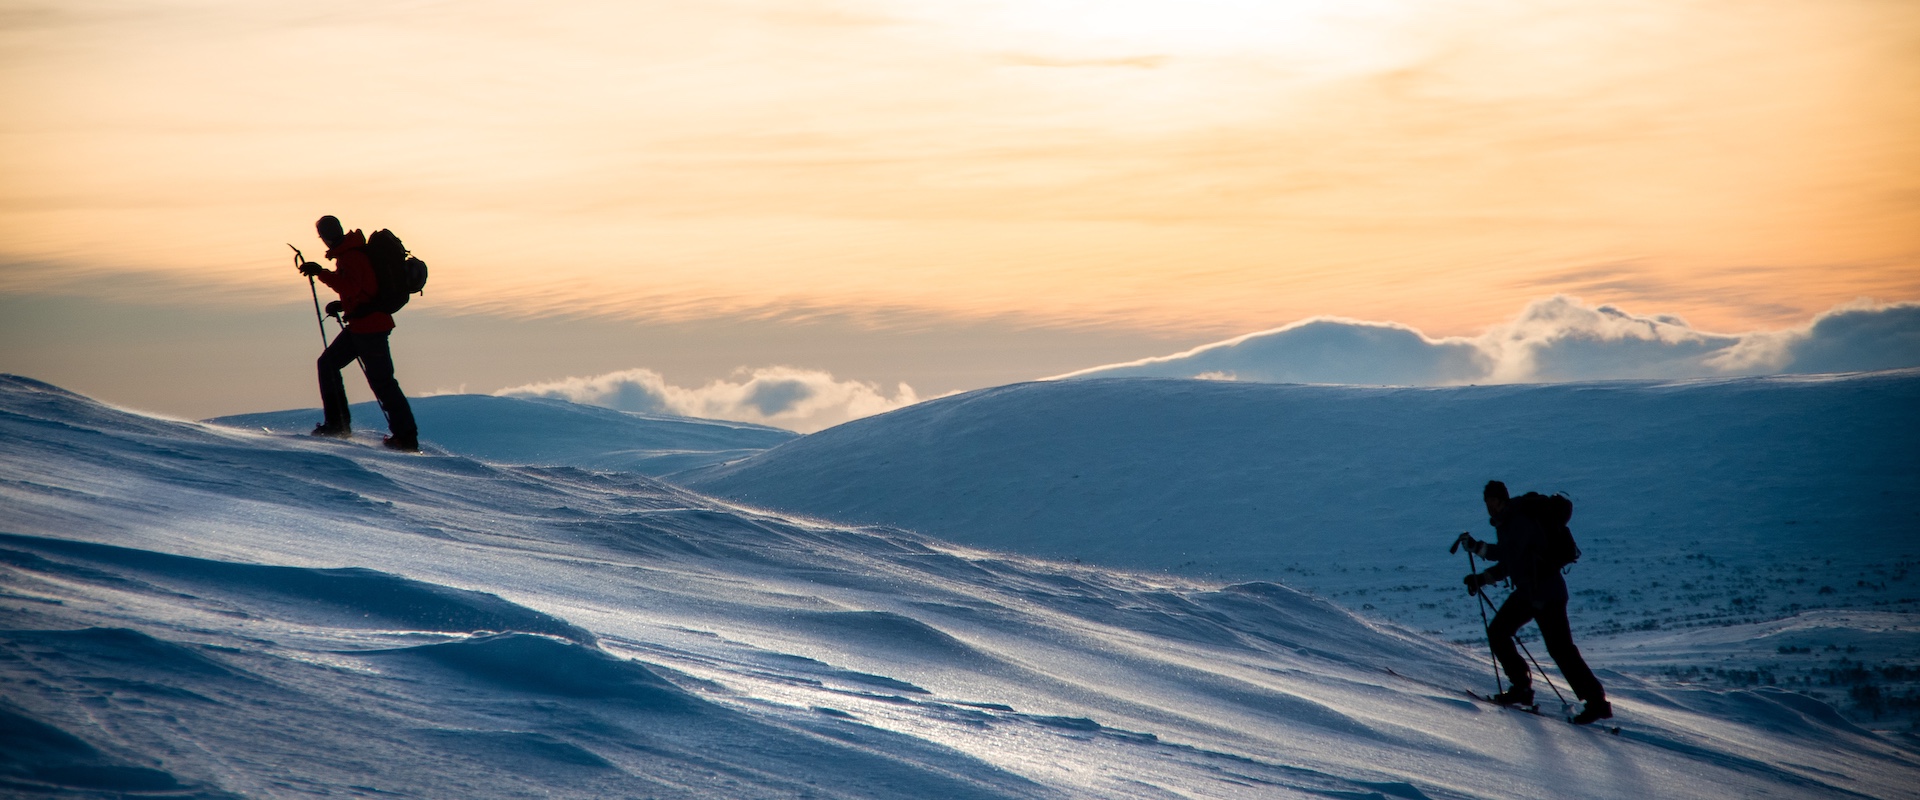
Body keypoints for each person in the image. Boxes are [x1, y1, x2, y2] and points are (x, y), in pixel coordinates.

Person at [1456, 480, 1610, 724]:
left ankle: (1530, 689)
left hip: (1541, 592)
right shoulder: (1508, 522)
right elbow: (1510, 563)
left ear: (1500, 500)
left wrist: (1478, 553)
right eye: (1486, 503)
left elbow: (1509, 556)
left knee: (1509, 635)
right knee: (1555, 647)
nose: (1488, 508)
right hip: (1541, 592)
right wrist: (1481, 577)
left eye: (1491, 502)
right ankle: (1591, 701)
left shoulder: (1517, 519)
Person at [298, 215, 420, 451]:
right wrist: (342, 305)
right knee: (330, 365)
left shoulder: (351, 256)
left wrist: (320, 273)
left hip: (369, 329)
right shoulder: (351, 253)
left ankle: (404, 437)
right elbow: (364, 290)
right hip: (363, 326)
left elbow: (352, 286)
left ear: (325, 236)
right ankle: (339, 425)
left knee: (381, 382)